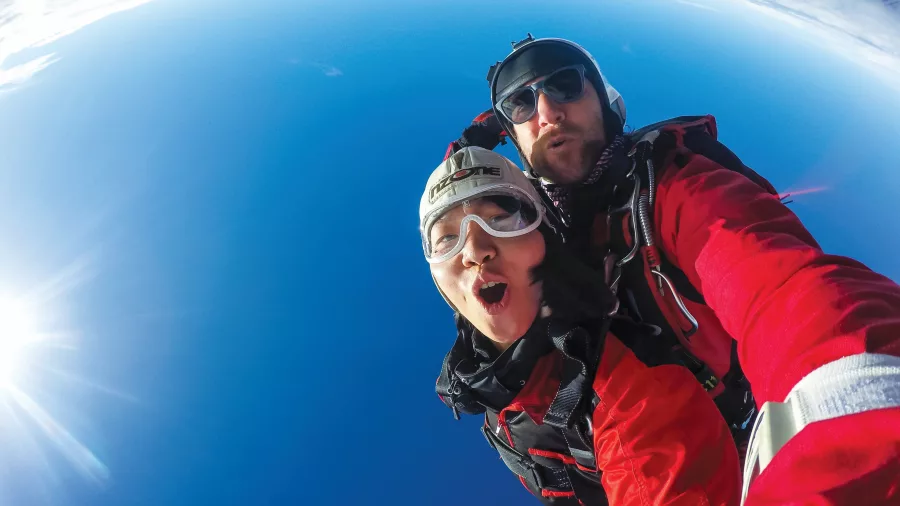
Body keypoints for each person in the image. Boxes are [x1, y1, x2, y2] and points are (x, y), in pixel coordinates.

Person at [442, 34, 900, 505]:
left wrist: (854, 402)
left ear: (603, 100)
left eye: (565, 85)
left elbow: (783, 288)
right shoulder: (527, 232)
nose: (547, 112)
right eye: (520, 104)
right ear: (513, 136)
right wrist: (474, 142)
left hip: (707, 448)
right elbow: (458, 201)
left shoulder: (673, 187)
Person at [422, 146, 742, 505]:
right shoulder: (492, 394)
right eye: (446, 239)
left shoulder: (627, 386)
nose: (474, 251)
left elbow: (658, 473)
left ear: (546, 243)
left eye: (501, 219)